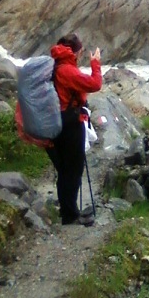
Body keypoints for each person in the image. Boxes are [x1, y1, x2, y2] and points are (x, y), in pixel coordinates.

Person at [47, 33, 102, 226]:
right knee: (73, 169)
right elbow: (95, 84)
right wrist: (95, 63)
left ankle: (68, 211)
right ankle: (70, 215)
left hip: (54, 122)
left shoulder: (54, 65)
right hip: (69, 123)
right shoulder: (67, 70)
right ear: (75, 50)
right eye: (79, 50)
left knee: (64, 169)